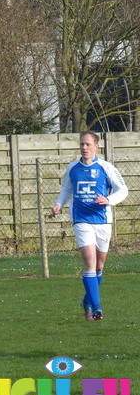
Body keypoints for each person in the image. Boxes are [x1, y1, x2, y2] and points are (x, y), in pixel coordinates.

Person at [52, 131, 128, 321]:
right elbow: (67, 189)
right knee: (89, 262)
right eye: (81, 144)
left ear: (97, 147)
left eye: (87, 144)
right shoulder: (72, 168)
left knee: (99, 265)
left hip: (102, 220)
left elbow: (123, 190)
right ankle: (97, 308)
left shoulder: (105, 167)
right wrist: (59, 204)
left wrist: (108, 199)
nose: (84, 148)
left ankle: (87, 300)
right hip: (81, 219)